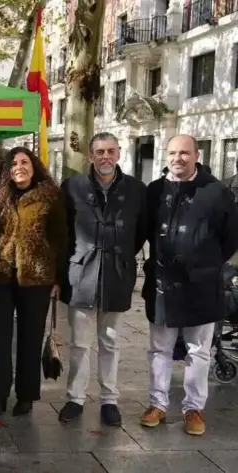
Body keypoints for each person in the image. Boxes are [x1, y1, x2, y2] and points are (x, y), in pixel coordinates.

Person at [140, 134, 238, 436]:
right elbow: (144, 230)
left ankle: (193, 408)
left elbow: (231, 238)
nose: (177, 158)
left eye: (184, 153)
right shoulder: (155, 190)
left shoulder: (217, 192)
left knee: (199, 350)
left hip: (201, 286)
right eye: (172, 153)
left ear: (197, 155)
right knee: (160, 349)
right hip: (163, 285)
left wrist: (204, 263)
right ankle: (157, 403)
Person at [58, 132, 147, 426]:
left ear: (119, 153)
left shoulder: (136, 189)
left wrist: (119, 254)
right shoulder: (72, 187)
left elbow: (140, 231)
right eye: (99, 152)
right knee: (80, 343)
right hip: (81, 273)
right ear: (90, 156)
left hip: (116, 273)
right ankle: (75, 398)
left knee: (110, 342)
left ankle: (109, 400)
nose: (105, 157)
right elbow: (63, 233)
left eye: (110, 151)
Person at [0, 146, 67, 417]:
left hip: (38, 277)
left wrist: (58, 277)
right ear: (6, 169)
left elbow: (60, 238)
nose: (19, 166)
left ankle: (26, 396)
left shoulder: (50, 197)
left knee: (30, 339)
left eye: (24, 162)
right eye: (14, 163)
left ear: (34, 166)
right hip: (1, 275)